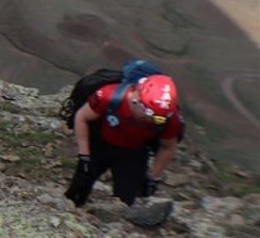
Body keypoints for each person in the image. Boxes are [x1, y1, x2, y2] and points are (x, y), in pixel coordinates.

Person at [65, 74, 183, 208]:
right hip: (101, 144)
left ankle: (114, 224)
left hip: (133, 153)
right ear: (137, 99)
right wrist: (84, 156)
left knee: (126, 201)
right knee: (80, 184)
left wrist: (154, 178)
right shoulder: (109, 96)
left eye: (159, 119)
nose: (152, 120)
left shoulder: (170, 120)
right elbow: (82, 117)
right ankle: (71, 208)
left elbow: (167, 147)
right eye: (149, 114)